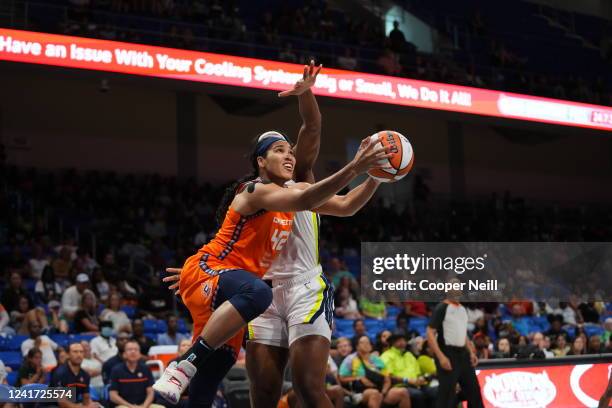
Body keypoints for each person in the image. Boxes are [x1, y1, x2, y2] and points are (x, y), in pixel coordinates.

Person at [154, 65, 390, 404]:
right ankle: (187, 371)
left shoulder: (305, 183)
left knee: (309, 387)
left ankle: (185, 368)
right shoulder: (259, 193)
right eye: (280, 150)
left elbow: (340, 187)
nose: (290, 156)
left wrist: (377, 177)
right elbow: (235, 241)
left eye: (291, 151)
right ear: (261, 161)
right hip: (260, 290)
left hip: (303, 289)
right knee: (263, 390)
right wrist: (206, 273)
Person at [426, 292, 484, 408]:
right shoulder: (442, 308)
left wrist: (471, 352)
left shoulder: (462, 309)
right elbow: (430, 332)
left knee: (474, 390)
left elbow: (462, 333)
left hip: (463, 354)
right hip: (447, 353)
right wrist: (441, 356)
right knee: (446, 394)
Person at [338, 335, 411, 408]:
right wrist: (359, 378)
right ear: (357, 346)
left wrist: (384, 391)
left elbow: (387, 378)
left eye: (368, 342)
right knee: (374, 394)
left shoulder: (376, 359)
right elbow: (341, 378)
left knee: (403, 392)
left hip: (381, 389)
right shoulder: (351, 359)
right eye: (363, 343)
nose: (366, 344)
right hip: (362, 392)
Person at [381, 333, 437, 408]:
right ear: (392, 342)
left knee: (435, 391)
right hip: (400, 386)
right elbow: (389, 376)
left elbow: (418, 373)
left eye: (404, 340)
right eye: (399, 341)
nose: (402, 343)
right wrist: (407, 380)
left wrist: (420, 378)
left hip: (416, 385)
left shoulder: (409, 355)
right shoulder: (386, 356)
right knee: (418, 395)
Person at [109, 340, 163, 408]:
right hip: (124, 405)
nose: (133, 351)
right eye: (129, 349)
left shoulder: (146, 369)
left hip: (144, 405)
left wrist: (144, 406)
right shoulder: (116, 370)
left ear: (140, 354)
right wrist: (131, 406)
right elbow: (113, 396)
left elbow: (150, 392)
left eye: (136, 349)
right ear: (124, 354)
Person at [50, 342, 98, 408]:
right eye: (75, 352)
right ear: (68, 355)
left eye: (81, 352)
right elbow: (62, 402)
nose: (79, 355)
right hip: (52, 405)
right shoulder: (60, 373)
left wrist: (92, 405)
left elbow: (86, 400)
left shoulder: (85, 375)